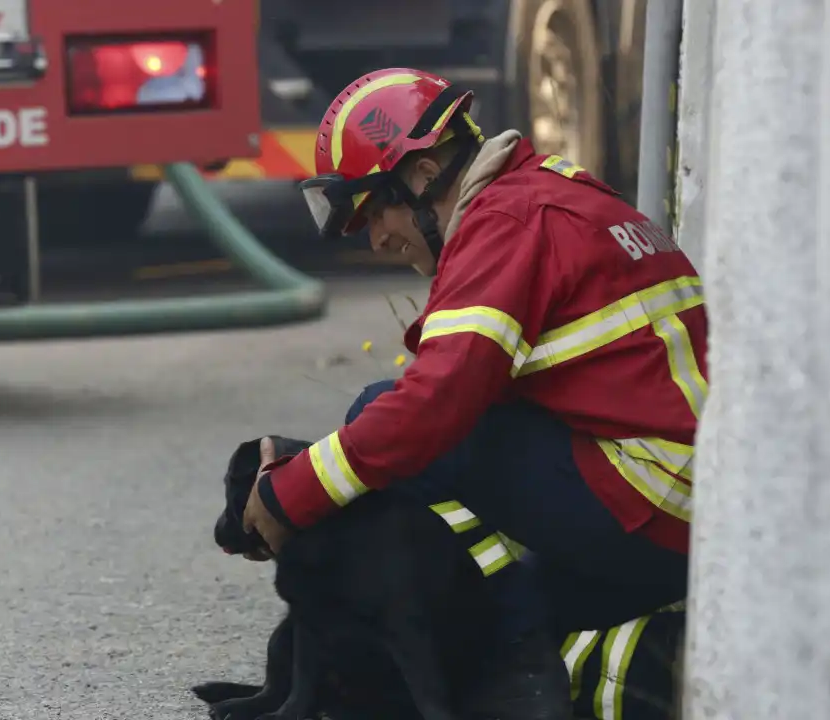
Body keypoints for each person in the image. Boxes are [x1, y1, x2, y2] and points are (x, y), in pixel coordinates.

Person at [243, 67, 704, 645]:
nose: (377, 240)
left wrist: (294, 490)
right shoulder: (552, 192)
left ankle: (433, 618)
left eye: (376, 212)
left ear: (425, 173)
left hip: (653, 509)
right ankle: (485, 637)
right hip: (683, 512)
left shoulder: (505, 222)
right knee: (498, 628)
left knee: (383, 412)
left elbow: (438, 398)